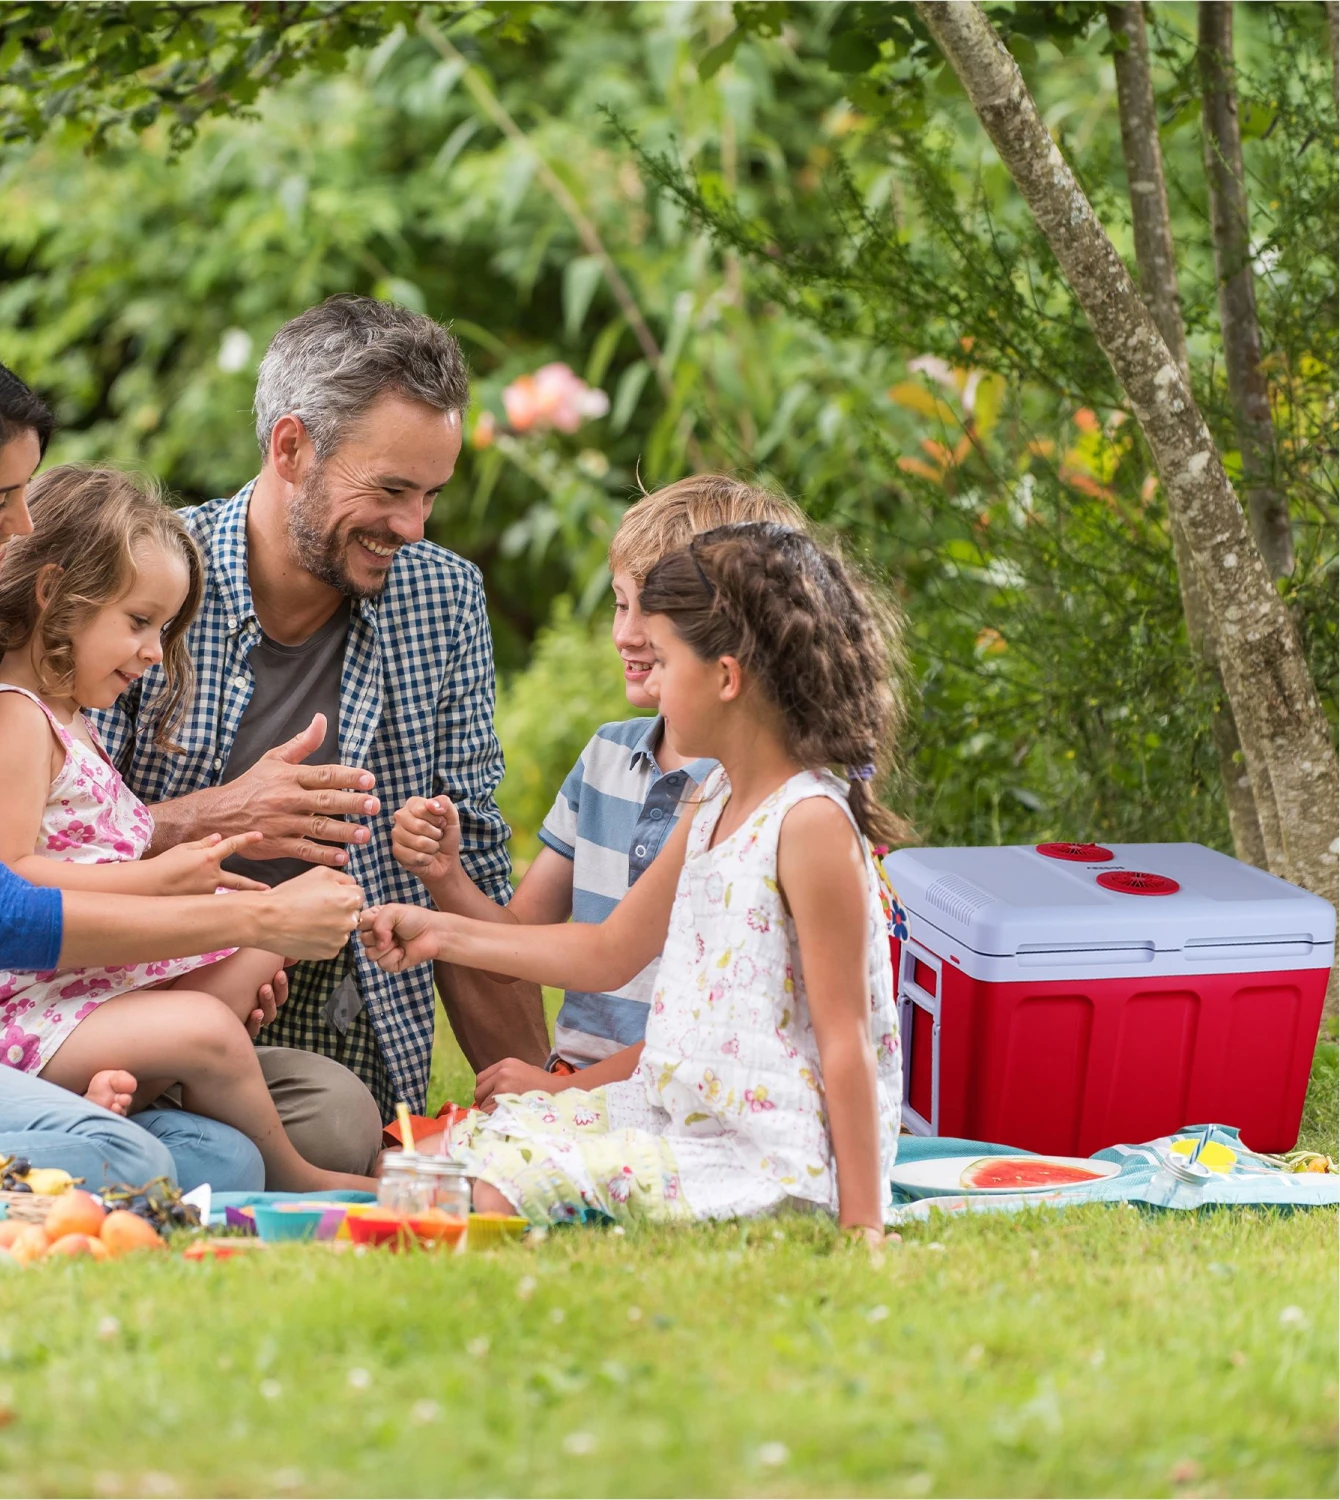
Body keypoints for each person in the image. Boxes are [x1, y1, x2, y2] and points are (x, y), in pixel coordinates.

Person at [0, 332, 363, 1199]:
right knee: (128, 1160)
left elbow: (59, 824)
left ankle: (22, 1134)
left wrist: (214, 882)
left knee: (229, 1160)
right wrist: (258, 919)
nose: (23, 525)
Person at [361, 522, 907, 1241]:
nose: (653, 679)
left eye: (667, 659)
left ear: (726, 677)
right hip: (674, 1115)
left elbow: (846, 1040)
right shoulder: (716, 799)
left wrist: (863, 1224)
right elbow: (607, 951)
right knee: (430, 1159)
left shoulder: (808, 823)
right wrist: (438, 931)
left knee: (477, 1193)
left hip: (765, 1161)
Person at [91, 296, 546, 1119]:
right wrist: (223, 815)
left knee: (340, 1126)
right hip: (132, 997)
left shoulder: (443, 599)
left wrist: (544, 1114)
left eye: (431, 495)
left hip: (338, 1019)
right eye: (391, 489)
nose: (413, 526)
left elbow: (470, 871)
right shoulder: (140, 580)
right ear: (291, 448)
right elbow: (52, 845)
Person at [389, 476, 808, 1103]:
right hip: (581, 1085)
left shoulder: (749, 801)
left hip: (673, 1095)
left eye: (653, 615)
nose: (627, 635)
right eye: (620, 604)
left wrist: (566, 1094)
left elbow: (708, 1028)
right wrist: (445, 877)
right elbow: (526, 946)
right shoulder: (607, 758)